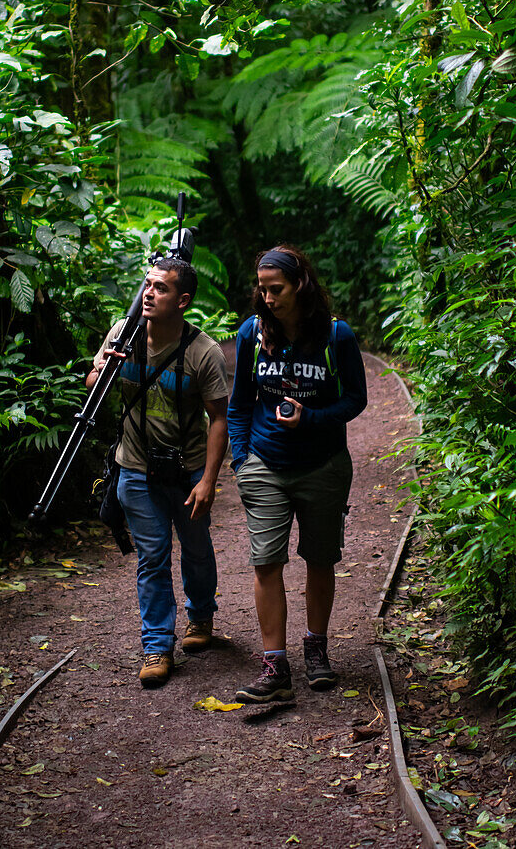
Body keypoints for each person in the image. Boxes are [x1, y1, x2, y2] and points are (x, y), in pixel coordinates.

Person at [227, 246, 367, 703]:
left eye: (276, 289)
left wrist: (311, 419)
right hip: (265, 464)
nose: (267, 298)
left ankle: (317, 650)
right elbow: (240, 402)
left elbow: (355, 401)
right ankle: (275, 666)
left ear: (300, 286)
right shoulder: (252, 333)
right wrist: (240, 459)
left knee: (320, 558)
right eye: (262, 289)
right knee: (266, 562)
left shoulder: (336, 336)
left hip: (323, 466)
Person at [87, 257, 229, 689]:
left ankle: (200, 617)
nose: (148, 293)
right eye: (147, 285)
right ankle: (156, 646)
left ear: (182, 300)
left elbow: (220, 419)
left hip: (186, 471)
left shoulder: (203, 352)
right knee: (152, 558)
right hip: (134, 468)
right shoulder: (122, 332)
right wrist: (103, 370)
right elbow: (93, 382)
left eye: (160, 288)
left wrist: (208, 480)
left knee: (197, 551)